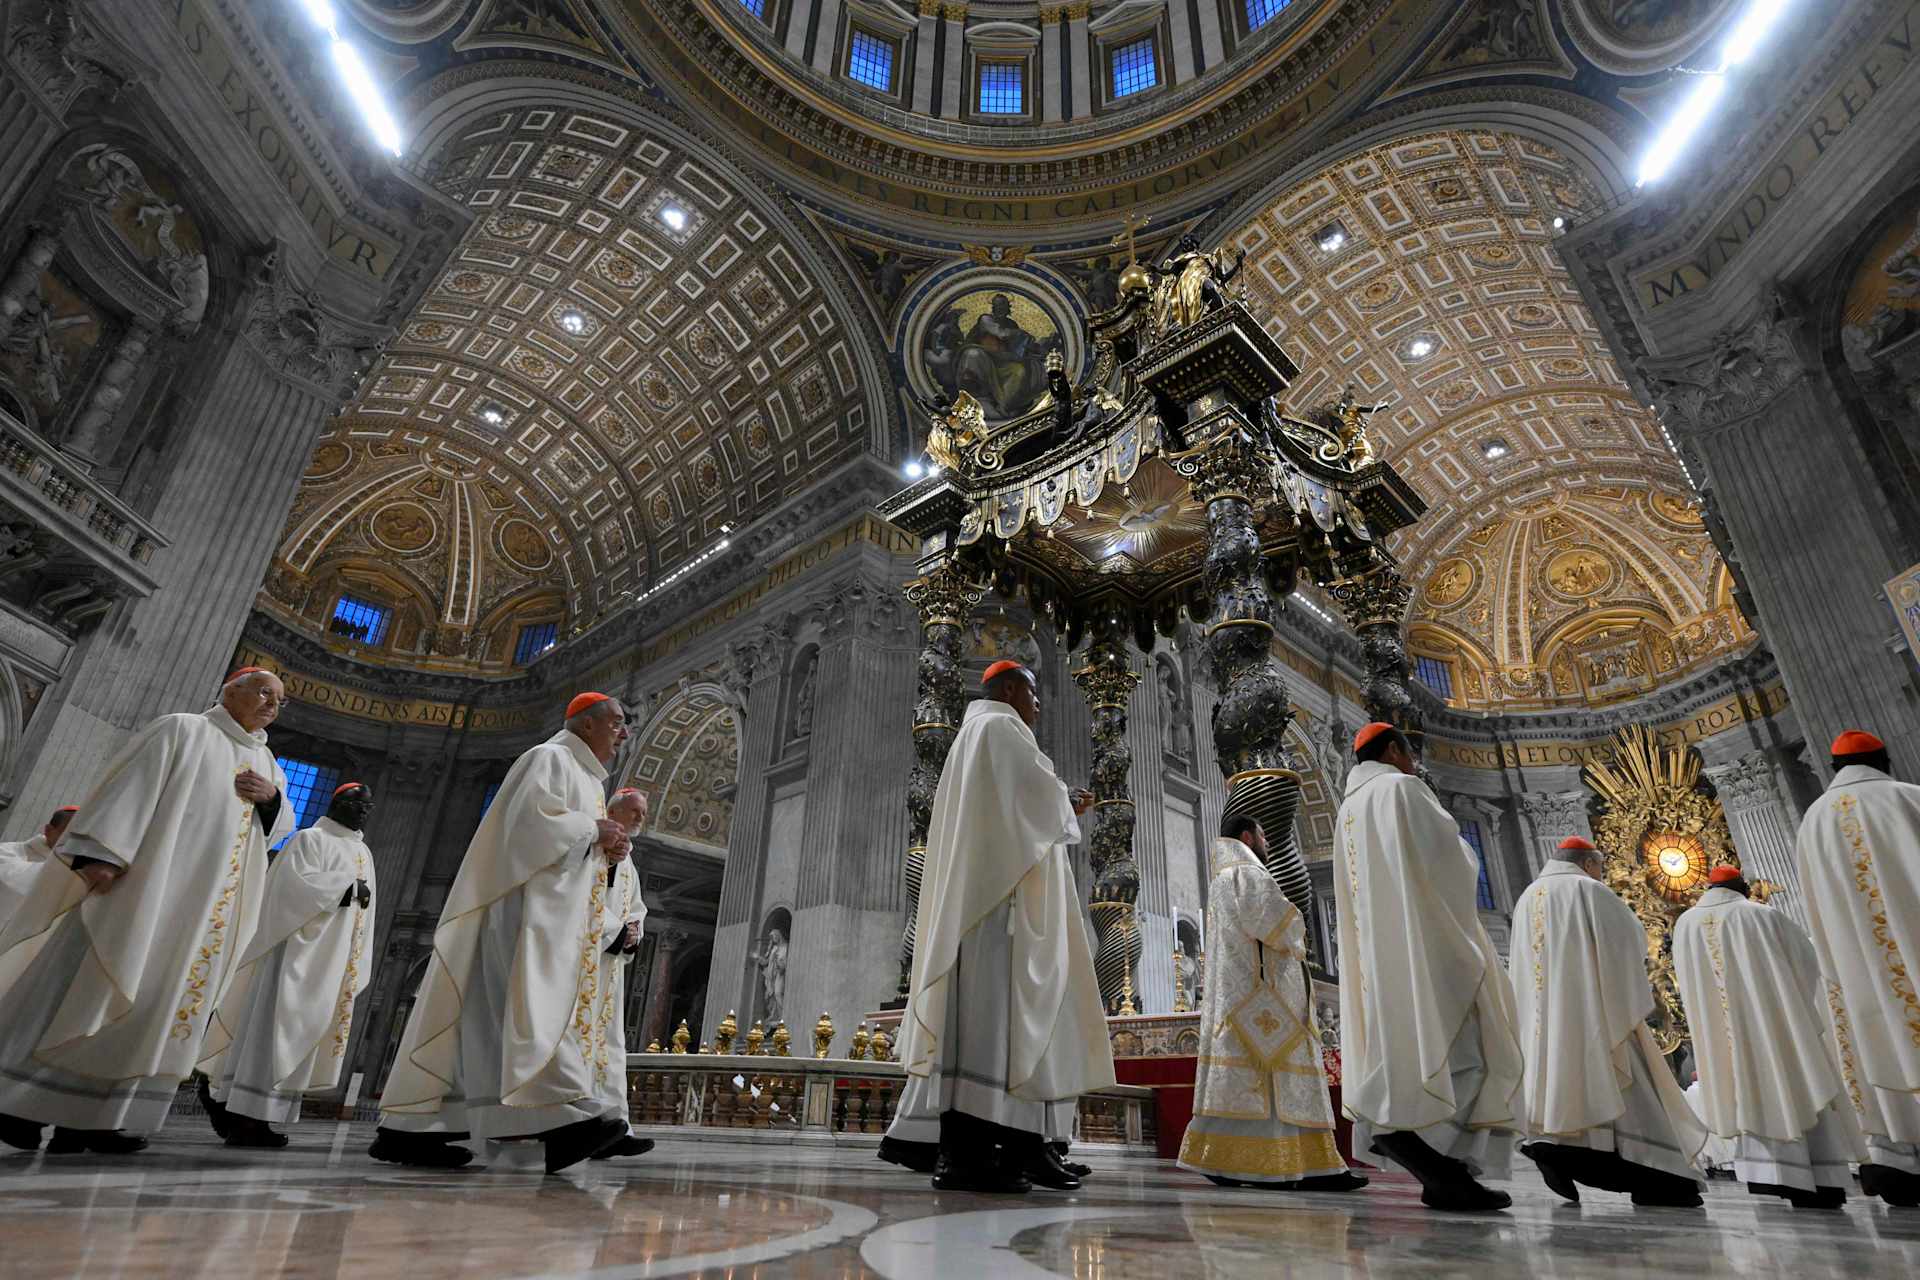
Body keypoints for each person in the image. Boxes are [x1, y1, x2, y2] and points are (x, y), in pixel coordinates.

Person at [0, 669, 295, 1154]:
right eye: (264, 692)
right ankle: (18, 1105)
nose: (272, 705)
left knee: (152, 1005)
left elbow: (277, 826)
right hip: (144, 891)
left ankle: (94, 1119)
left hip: (201, 911)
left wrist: (273, 800)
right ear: (230, 691)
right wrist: (101, 854)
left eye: (279, 700)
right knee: (92, 988)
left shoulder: (268, 763)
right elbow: (127, 789)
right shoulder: (183, 729)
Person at [372, 692, 638, 1175]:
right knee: (525, 1010)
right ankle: (564, 1124)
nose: (623, 733)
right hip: (523, 912)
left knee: (488, 1019)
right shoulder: (549, 758)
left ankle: (411, 1131)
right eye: (617, 722)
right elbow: (527, 828)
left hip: (553, 918)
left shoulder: (585, 777)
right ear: (585, 725)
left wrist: (602, 848)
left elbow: (569, 839)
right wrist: (592, 833)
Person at [879, 659, 1113, 1193]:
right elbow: (1032, 802)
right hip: (1000, 914)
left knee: (990, 1036)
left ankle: (1000, 1152)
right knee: (1001, 1032)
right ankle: (984, 1156)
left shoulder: (972, 734)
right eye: (1034, 693)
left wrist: (1057, 803)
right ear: (1010, 688)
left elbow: (1014, 809)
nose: (1038, 705)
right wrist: (1067, 801)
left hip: (985, 908)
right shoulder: (1000, 727)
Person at [1332, 722, 1522, 1211]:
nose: (1413, 766)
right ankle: (1423, 1148)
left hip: (1380, 950)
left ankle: (1440, 1169)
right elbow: (1453, 860)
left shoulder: (1349, 809)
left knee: (1405, 1046)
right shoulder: (1401, 788)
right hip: (1424, 942)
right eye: (1410, 755)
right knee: (1468, 1049)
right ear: (1394, 750)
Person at [1509, 837, 1707, 1207]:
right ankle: (1657, 1178)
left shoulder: (1527, 899)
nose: (1602, 876)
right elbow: (1630, 941)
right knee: (1628, 1095)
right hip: (1593, 1015)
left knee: (1559, 1090)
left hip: (1542, 1025)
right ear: (1588, 864)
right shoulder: (1587, 890)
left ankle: (1548, 1145)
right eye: (1600, 868)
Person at [1178, 813, 1365, 1192]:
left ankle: (1247, 1161)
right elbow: (1273, 924)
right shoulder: (1249, 875)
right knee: (1275, 1082)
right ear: (1248, 836)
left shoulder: (1222, 879)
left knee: (1250, 1084)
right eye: (1263, 833)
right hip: (1266, 999)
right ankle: (1287, 1166)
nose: (1267, 841)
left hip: (1242, 998)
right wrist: (1297, 921)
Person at [1673, 864, 1867, 1209]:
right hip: (1776, 1030)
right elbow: (1807, 964)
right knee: (1793, 1091)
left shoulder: (1685, 925)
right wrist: (1798, 1014)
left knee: (1746, 1094)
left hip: (1723, 1039)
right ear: (1742, 886)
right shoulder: (1759, 915)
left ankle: (1769, 1177)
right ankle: (1815, 1179)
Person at [197, 781, 379, 1148]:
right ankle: (243, 1115)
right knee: (272, 1030)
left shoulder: (364, 852)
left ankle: (262, 1118)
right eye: (353, 803)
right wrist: (345, 890)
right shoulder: (308, 839)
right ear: (335, 802)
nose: (361, 811)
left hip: (329, 961)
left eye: (366, 806)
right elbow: (287, 891)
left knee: (299, 1037)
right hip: (293, 959)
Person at [1793, 729, 1920, 1208]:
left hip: (1852, 967)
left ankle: (1898, 1163)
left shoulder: (1813, 823)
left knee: (1876, 1042)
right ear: (1885, 758)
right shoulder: (1907, 798)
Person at [587, 787, 653, 1163]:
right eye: (635, 811)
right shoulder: (596, 848)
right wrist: (616, 932)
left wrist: (632, 932)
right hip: (584, 962)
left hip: (610, 969)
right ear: (613, 810)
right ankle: (587, 1123)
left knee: (611, 1049)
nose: (641, 818)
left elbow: (637, 909)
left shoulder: (629, 864)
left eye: (643, 813)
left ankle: (616, 1125)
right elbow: (582, 898)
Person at [0, 806, 75, 930]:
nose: (74, 843)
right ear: (48, 830)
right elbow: (13, 880)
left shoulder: (77, 871)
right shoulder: (5, 852)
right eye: (68, 834)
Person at [1685, 1072, 1737, 1177]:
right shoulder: (1707, 1088)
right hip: (1712, 1120)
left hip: (1699, 1122)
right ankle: (1729, 1168)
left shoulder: (1689, 1090)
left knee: (1709, 1147)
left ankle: (1712, 1168)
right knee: (1722, 1145)